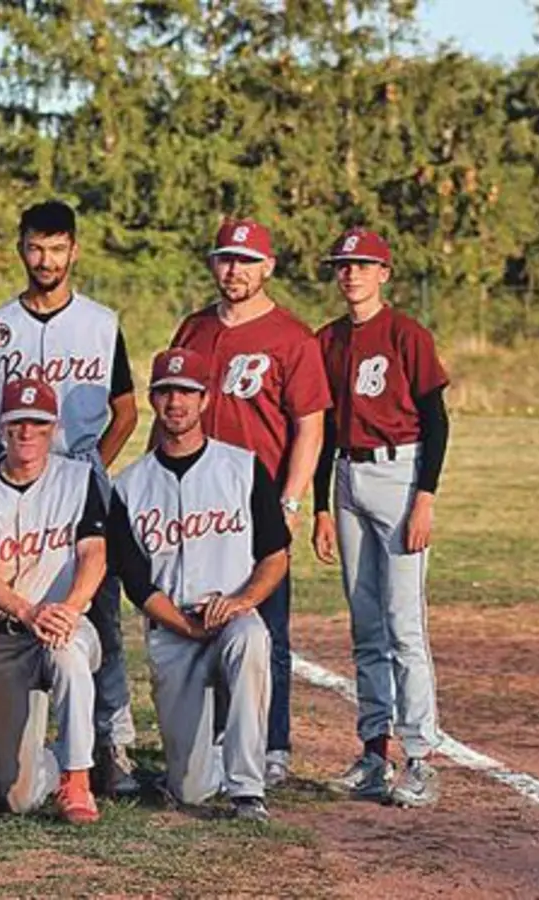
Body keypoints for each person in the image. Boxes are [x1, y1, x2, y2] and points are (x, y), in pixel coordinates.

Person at [0, 200, 141, 797]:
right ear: (21, 248)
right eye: (36, 247)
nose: (46, 259)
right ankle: (3, 744)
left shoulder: (100, 322)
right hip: (10, 484)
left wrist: (90, 472)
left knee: (100, 616)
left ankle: (110, 744)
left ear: (74, 251)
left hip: (78, 474)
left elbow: (125, 411)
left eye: (57, 248)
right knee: (11, 613)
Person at [167, 217, 331, 784]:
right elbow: (171, 408)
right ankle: (212, 738)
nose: (234, 269)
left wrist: (289, 502)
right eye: (224, 258)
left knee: (268, 628)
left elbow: (310, 426)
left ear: (268, 267)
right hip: (195, 498)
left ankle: (273, 743)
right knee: (198, 618)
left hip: (256, 500)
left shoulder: (292, 337)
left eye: (245, 260)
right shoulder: (194, 328)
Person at [109, 348, 291, 823]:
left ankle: (248, 789)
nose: (177, 403)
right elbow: (136, 583)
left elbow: (276, 555)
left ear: (205, 400)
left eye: (187, 392)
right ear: (153, 399)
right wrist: (185, 628)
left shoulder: (243, 467)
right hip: (173, 629)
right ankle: (208, 748)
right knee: (188, 790)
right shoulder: (129, 486)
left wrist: (241, 602)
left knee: (253, 640)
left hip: (231, 613)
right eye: (167, 392)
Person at [311, 228, 450, 807]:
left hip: (400, 471)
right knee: (365, 623)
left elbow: (436, 420)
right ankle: (374, 752)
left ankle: (419, 757)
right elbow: (319, 434)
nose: (352, 274)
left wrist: (426, 496)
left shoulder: (406, 334)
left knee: (403, 624)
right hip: (346, 473)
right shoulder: (328, 340)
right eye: (344, 265)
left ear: (384, 273)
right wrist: (319, 505)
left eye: (363, 265)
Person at [0, 378, 107, 824]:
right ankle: (52, 763)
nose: (27, 433)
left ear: (54, 427)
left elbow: (94, 553)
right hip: (7, 635)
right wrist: (27, 610)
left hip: (65, 621)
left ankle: (78, 780)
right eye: (18, 422)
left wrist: (71, 610)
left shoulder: (78, 479)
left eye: (38, 423)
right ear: (1, 425)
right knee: (18, 797)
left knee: (69, 655)